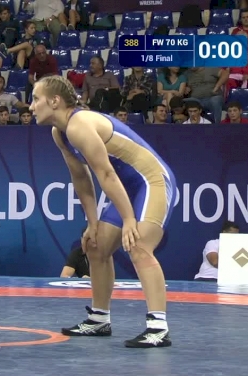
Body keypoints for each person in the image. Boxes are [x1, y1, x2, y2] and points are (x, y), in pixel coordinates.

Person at [29, 75, 177, 348]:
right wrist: (92, 223)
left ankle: (158, 327)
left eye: (36, 99)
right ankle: (99, 319)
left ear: (55, 100)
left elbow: (106, 174)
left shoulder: (79, 124)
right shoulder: (59, 132)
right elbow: (81, 178)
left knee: (139, 245)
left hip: (151, 180)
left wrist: (130, 219)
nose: (31, 106)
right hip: (126, 186)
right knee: (95, 246)